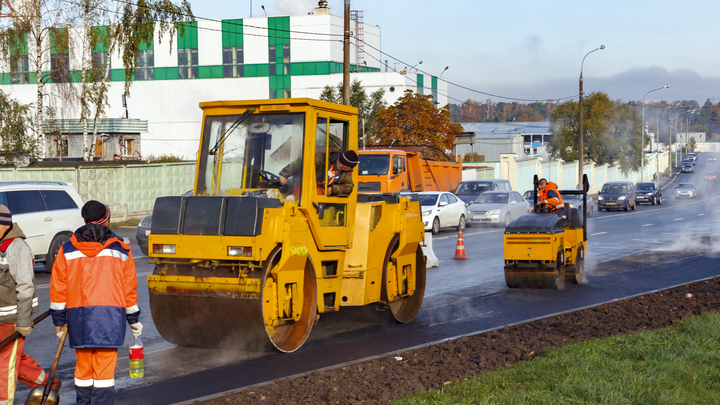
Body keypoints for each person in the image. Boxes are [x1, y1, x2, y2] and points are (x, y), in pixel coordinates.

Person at [50, 201, 142, 405]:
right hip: (110, 319)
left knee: (83, 369)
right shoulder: (122, 250)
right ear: (107, 219)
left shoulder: (66, 250)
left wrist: (60, 320)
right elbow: (129, 290)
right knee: (104, 373)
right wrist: (133, 319)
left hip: (79, 318)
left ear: (84, 220)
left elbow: (59, 289)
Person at [0, 205, 60, 405]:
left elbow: (25, 286)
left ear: (4, 224)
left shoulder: (17, 247)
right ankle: (46, 384)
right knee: (10, 356)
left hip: (11, 318)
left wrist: (24, 320)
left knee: (5, 364)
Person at [279, 150, 359, 196]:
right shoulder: (321, 159)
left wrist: (332, 189)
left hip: (322, 198)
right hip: (305, 194)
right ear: (344, 165)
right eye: (351, 167)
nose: (352, 169)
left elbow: (349, 186)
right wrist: (284, 174)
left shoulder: (347, 172)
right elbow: (301, 162)